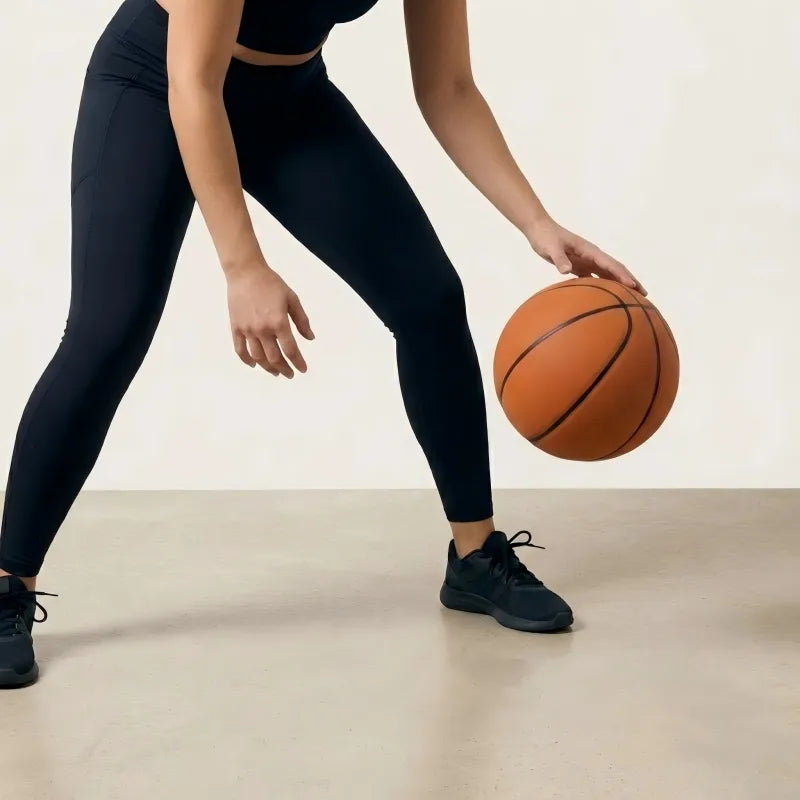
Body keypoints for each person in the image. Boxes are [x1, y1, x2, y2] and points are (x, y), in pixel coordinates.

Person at [0, 0, 645, 687]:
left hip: (290, 99)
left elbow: (448, 87)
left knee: (429, 301)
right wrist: (243, 265)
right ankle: (10, 583)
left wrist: (537, 223)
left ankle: (475, 556)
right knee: (109, 331)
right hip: (155, 86)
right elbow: (194, 84)